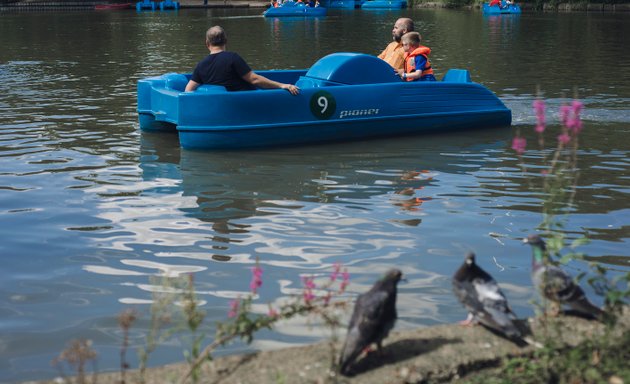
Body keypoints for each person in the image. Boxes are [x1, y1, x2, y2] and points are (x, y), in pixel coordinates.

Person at [185, 26, 300, 95]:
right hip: (247, 102)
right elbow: (254, 80)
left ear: (207, 44)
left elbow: (188, 90)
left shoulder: (201, 65)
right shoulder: (232, 58)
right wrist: (283, 85)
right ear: (226, 41)